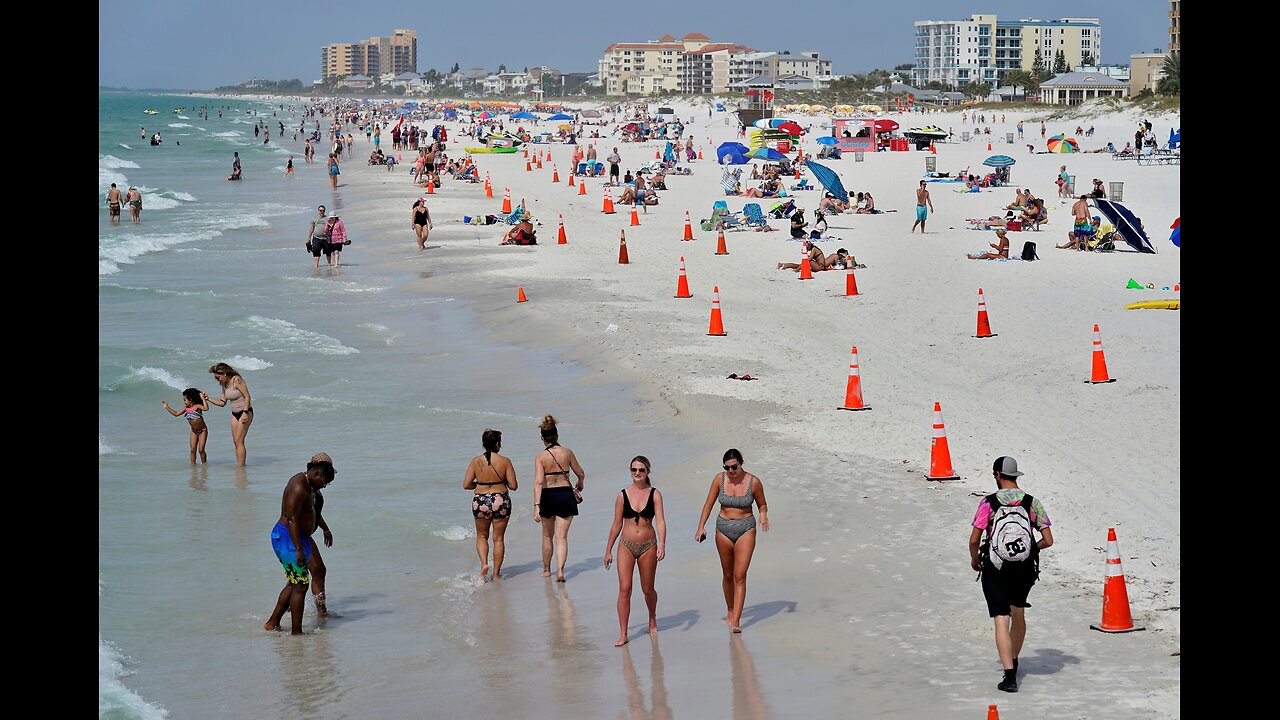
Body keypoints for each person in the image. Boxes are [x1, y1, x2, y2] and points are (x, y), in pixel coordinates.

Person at [968, 456, 1053, 693]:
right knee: (1018, 614)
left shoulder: (989, 503)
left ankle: (1009, 675)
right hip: (1024, 569)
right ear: (1016, 476)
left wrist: (975, 559)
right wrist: (1031, 548)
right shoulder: (1031, 502)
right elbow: (1048, 540)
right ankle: (1014, 660)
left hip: (995, 568)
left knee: (1000, 619)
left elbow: (975, 539)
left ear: (997, 474)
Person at [694, 449, 769, 633]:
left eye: (734, 467)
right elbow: (708, 504)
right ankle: (730, 609)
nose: (730, 471)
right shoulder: (719, 480)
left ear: (741, 464)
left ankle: (736, 621)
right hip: (723, 529)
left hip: (746, 528)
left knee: (739, 576)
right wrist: (701, 526)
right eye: (727, 467)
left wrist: (763, 515)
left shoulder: (754, 482)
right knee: (727, 575)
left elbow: (762, 503)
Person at [265, 453, 336, 635]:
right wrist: (298, 550)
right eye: (325, 481)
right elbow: (292, 520)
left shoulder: (311, 487)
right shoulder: (298, 487)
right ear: (317, 473)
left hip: (299, 538)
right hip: (288, 537)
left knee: (295, 584)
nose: (325, 486)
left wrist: (325, 529)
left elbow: (313, 514)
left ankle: (273, 623)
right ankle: (296, 633)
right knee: (300, 585)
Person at [604, 455, 667, 647]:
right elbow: (616, 524)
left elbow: (661, 521)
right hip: (626, 545)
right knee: (624, 589)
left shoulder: (655, 494)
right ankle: (623, 633)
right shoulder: (622, 494)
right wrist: (608, 550)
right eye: (634, 470)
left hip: (648, 545)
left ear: (647, 471)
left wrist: (662, 543)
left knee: (647, 589)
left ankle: (652, 617)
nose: (637, 473)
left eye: (641, 470)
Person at [533, 414, 585, 582]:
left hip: (548, 496)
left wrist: (536, 506)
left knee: (547, 536)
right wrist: (580, 483)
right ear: (557, 436)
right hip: (565, 495)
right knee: (561, 537)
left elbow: (539, 481)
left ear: (543, 439)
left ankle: (547, 570)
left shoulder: (540, 457)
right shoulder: (567, 452)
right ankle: (561, 571)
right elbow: (580, 473)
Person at [464, 429, 518, 581]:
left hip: (480, 500)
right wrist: (501, 482)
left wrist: (480, 485)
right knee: (498, 539)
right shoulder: (505, 461)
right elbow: (513, 486)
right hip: (500, 500)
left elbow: (466, 484)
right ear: (497, 444)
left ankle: (484, 564)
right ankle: (496, 574)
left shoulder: (475, 461)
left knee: (482, 535)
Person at [203, 362, 253, 465]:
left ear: (225, 374)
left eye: (218, 377)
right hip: (234, 414)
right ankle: (240, 465)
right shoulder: (224, 384)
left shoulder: (236, 380)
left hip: (245, 412)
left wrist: (245, 412)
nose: (217, 379)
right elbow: (222, 403)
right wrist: (208, 399)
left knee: (239, 441)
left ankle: (241, 467)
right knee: (236, 441)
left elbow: (247, 396)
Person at [161, 387, 210, 464]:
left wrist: (203, 398)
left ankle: (204, 465)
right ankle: (193, 467)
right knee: (192, 450)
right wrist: (167, 407)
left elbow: (206, 408)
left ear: (190, 400)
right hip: (193, 431)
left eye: (185, 400)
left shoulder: (197, 406)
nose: (184, 401)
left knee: (201, 450)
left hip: (202, 431)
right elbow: (176, 414)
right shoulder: (186, 408)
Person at [306, 205, 329, 270]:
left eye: (323, 210)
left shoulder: (327, 219)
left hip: (326, 239)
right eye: (320, 210)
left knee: (328, 252)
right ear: (318, 211)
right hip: (316, 238)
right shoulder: (314, 219)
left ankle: (329, 265)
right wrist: (308, 238)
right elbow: (311, 229)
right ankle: (316, 267)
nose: (322, 212)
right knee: (316, 252)